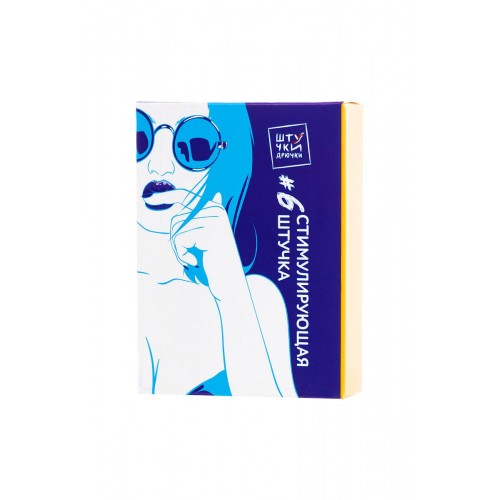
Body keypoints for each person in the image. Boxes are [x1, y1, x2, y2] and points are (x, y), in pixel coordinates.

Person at [137, 102, 296, 397]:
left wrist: (230, 291)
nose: (159, 165)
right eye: (139, 137)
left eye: (195, 145)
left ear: (225, 164)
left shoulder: (258, 298)